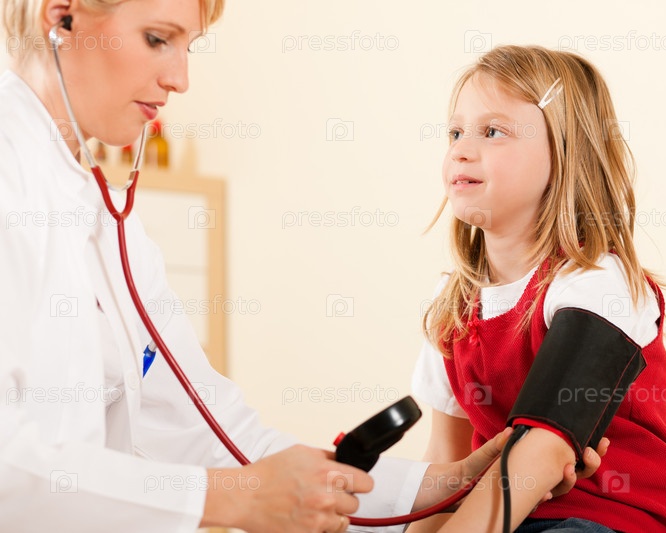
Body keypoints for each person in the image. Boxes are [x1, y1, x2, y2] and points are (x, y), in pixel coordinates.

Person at [0, 2, 606, 531]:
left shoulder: (108, 222)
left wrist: (450, 482)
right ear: (62, 15)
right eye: (158, 39)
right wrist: (230, 499)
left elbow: (218, 434)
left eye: (190, 48)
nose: (180, 79)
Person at [408, 45, 666, 533]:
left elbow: (545, 448)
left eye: (492, 132)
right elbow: (445, 462)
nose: (460, 149)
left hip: (611, 520)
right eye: (456, 133)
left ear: (565, 153)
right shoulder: (452, 306)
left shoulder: (598, 282)